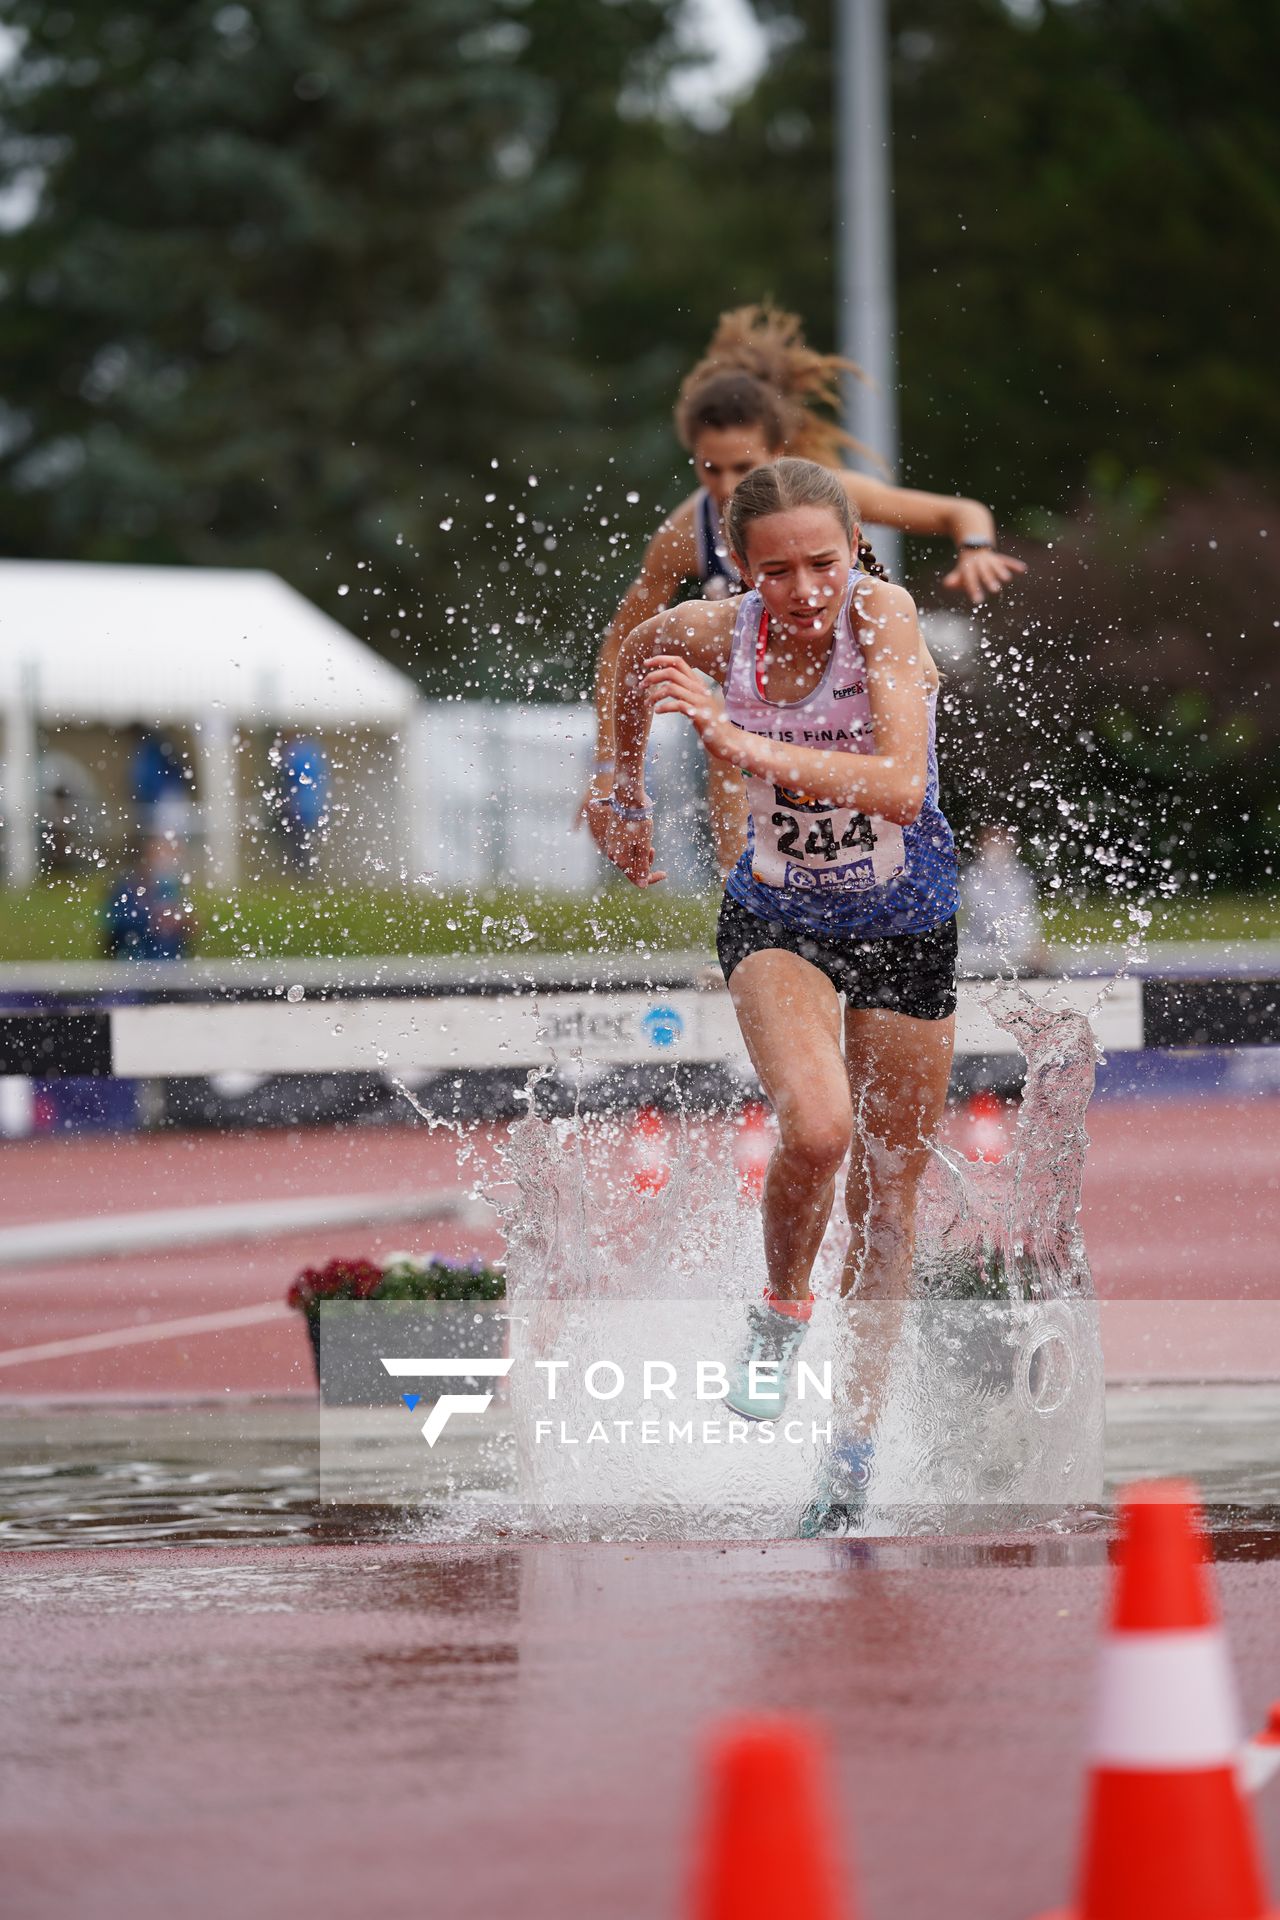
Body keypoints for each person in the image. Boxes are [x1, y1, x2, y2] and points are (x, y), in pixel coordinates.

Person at [594, 457, 959, 1535]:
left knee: (886, 1204)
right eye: (776, 572)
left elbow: (897, 783)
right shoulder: (715, 633)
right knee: (816, 1130)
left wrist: (740, 741)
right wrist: (619, 787)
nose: (803, 593)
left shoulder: (882, 619)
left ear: (853, 553)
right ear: (741, 573)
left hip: (906, 928)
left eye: (821, 564)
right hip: (778, 919)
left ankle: (850, 1451)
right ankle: (779, 1311)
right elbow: (633, 654)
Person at [582, 305, 1024, 876]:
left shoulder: (823, 494)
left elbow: (959, 511)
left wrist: (976, 550)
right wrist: (608, 770)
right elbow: (624, 645)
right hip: (770, 680)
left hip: (861, 667)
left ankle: (902, 888)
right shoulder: (682, 534)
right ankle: (747, 903)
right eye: (709, 469)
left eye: (742, 467)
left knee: (893, 758)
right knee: (724, 742)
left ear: (777, 451)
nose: (725, 487)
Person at [959, 822, 1053, 977]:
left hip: (1015, 948)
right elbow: (986, 917)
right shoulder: (972, 876)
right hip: (978, 948)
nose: (998, 848)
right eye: (992, 842)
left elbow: (1027, 914)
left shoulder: (1020, 875)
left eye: (1002, 841)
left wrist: (1034, 942)